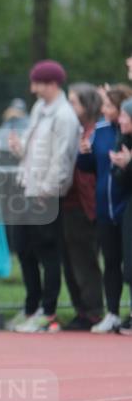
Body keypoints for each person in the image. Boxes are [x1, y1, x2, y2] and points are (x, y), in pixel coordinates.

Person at [8, 60, 80, 333]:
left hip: (45, 194)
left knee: (47, 252)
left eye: (37, 83)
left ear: (51, 84)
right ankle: (31, 306)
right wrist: (18, 148)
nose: (32, 88)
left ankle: (48, 312)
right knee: (25, 249)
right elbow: (32, 148)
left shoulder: (64, 116)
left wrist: (47, 192)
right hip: (28, 187)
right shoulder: (40, 109)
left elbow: (61, 159)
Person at [76, 84, 132, 333]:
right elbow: (89, 167)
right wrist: (84, 153)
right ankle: (112, 312)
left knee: (128, 263)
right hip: (104, 208)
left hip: (124, 206)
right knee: (110, 261)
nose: (104, 110)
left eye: (109, 106)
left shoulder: (126, 132)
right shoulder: (99, 130)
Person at [62, 83, 104, 330]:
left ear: (87, 106)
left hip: (83, 205)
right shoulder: (76, 131)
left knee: (84, 260)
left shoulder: (95, 132)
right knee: (70, 261)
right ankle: (81, 309)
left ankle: (93, 311)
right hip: (68, 202)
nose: (69, 107)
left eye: (74, 102)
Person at [110, 97, 132, 334]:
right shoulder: (123, 139)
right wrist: (122, 165)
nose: (120, 119)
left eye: (124, 115)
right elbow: (119, 179)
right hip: (127, 206)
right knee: (129, 263)